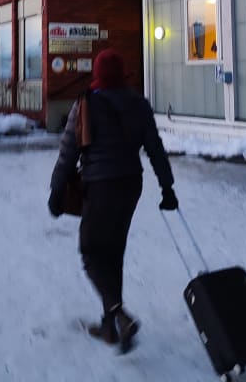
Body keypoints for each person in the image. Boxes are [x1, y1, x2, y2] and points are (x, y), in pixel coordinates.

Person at [48, 48, 178, 354]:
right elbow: (155, 149)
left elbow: (68, 153)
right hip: (131, 184)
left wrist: (56, 192)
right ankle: (109, 327)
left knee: (91, 251)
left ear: (97, 74)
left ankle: (118, 312)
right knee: (113, 252)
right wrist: (167, 189)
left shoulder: (86, 104)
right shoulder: (138, 103)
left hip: (101, 186)